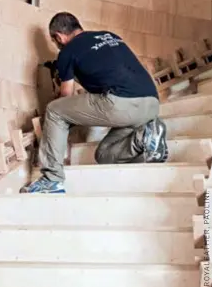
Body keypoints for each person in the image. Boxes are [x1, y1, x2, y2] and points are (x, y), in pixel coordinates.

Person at [20, 12, 168, 194]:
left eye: (55, 41)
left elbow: (65, 96)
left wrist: (55, 126)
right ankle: (144, 137)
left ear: (58, 37)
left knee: (54, 110)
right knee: (104, 155)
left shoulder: (68, 52)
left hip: (122, 104)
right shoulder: (110, 36)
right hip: (151, 104)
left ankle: (52, 179)